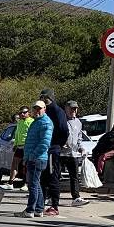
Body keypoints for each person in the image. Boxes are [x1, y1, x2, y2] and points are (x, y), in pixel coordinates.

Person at [14, 100, 52, 218]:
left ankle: (30, 210)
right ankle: (39, 209)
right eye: (35, 108)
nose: (37, 111)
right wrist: (26, 157)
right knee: (36, 184)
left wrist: (32, 156)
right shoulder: (36, 122)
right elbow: (30, 142)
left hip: (37, 158)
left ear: (44, 109)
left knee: (33, 185)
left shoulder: (45, 122)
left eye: (39, 108)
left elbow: (45, 143)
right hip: (32, 158)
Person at [39, 88, 69, 216]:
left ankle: (54, 205)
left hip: (53, 149)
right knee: (43, 178)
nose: (42, 99)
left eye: (44, 97)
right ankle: (41, 204)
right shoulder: (44, 111)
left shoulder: (57, 111)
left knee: (53, 177)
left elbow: (64, 130)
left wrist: (58, 145)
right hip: (44, 149)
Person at [61, 101, 88, 207]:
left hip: (73, 154)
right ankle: (50, 197)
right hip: (60, 154)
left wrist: (81, 148)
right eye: (72, 108)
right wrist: (60, 143)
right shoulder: (61, 120)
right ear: (66, 109)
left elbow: (79, 137)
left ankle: (76, 197)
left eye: (75, 109)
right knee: (55, 175)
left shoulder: (78, 122)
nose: (74, 111)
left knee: (75, 176)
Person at [6, 107, 33, 188]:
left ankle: (26, 183)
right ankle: (10, 183)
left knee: (25, 165)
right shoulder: (20, 122)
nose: (22, 114)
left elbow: (31, 135)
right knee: (14, 164)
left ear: (28, 113)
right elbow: (17, 134)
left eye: (24, 112)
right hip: (19, 146)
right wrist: (15, 144)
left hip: (27, 146)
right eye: (21, 112)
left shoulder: (31, 122)